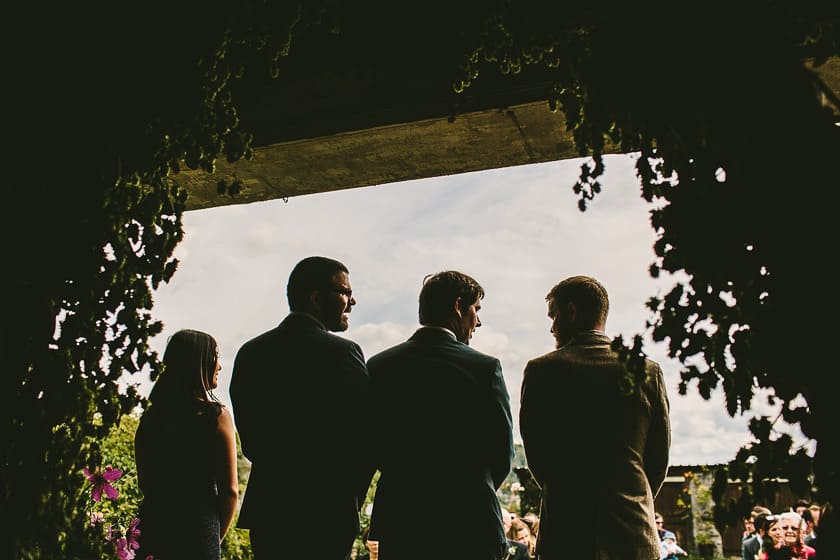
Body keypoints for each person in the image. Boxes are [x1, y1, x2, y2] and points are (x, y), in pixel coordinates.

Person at [229, 256, 372, 559]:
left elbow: (252, 444)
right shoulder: (343, 354)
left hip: (270, 510)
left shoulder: (250, 353)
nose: (353, 301)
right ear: (317, 298)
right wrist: (349, 500)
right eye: (345, 292)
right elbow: (366, 438)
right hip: (327, 511)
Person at [519, 275, 671, 560]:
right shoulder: (647, 371)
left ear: (571, 312)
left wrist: (565, 489)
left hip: (566, 531)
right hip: (633, 532)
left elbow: (537, 457)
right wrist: (633, 494)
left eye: (553, 316)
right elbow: (658, 457)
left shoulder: (543, 371)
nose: (552, 327)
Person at [367, 270, 514, 560]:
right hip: (471, 522)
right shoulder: (484, 368)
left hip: (403, 521)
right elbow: (502, 453)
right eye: (476, 310)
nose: (478, 321)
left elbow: (371, 443)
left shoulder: (379, 366)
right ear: (459, 307)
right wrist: (472, 486)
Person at [134, 329, 239, 559]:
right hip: (199, 533)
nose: (219, 366)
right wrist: (212, 538)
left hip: (153, 530)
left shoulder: (150, 419)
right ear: (198, 364)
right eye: (216, 357)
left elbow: (145, 482)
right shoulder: (217, 417)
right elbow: (230, 492)